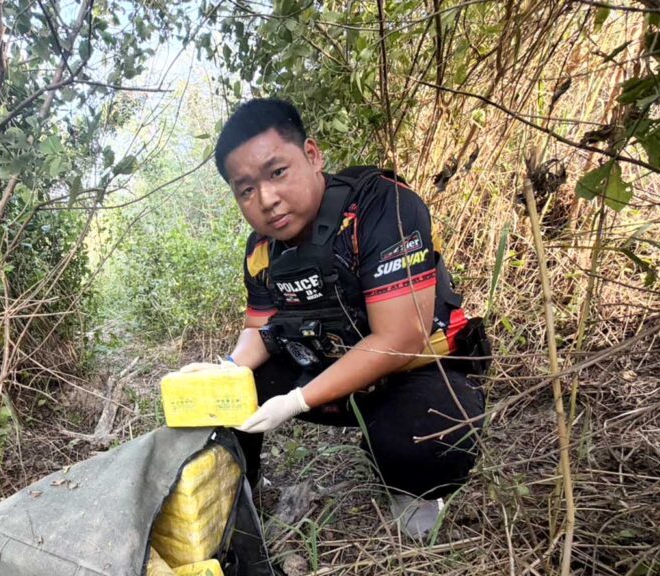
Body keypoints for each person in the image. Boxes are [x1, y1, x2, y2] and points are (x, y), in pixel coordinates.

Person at [184, 98, 488, 539]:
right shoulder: (262, 249)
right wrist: (227, 369)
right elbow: (260, 329)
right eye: (246, 190)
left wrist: (297, 401)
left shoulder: (382, 206)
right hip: (332, 368)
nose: (266, 200)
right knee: (230, 392)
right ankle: (242, 486)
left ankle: (413, 488)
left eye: (277, 172)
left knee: (427, 437)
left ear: (312, 155)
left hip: (415, 372)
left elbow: (400, 338)